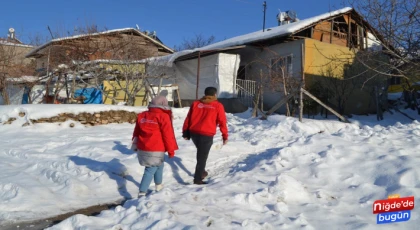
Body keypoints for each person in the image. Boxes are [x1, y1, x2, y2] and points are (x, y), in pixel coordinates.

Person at [132, 95, 178, 197]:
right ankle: (142, 193)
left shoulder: (143, 115)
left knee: (160, 165)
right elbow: (168, 135)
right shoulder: (163, 116)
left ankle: (158, 186)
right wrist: (171, 150)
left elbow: (136, 132)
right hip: (156, 147)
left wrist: (135, 144)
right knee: (150, 169)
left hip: (143, 146)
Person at [182, 87, 228, 184]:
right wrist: (225, 136)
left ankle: (201, 171)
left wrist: (185, 131)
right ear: (215, 94)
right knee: (202, 157)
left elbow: (188, 118)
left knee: (201, 154)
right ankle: (198, 179)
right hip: (206, 134)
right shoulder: (217, 105)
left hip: (194, 133)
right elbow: (222, 122)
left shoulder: (196, 103)